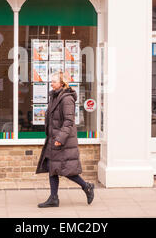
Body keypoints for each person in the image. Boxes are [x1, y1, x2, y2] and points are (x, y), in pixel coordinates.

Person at [36, 71, 94, 208]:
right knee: (52, 167)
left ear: (61, 84)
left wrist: (60, 138)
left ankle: (87, 186)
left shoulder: (66, 99)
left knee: (66, 170)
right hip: (53, 138)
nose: (51, 83)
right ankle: (54, 198)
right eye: (51, 81)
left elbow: (69, 121)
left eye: (54, 81)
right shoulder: (55, 96)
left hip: (63, 141)